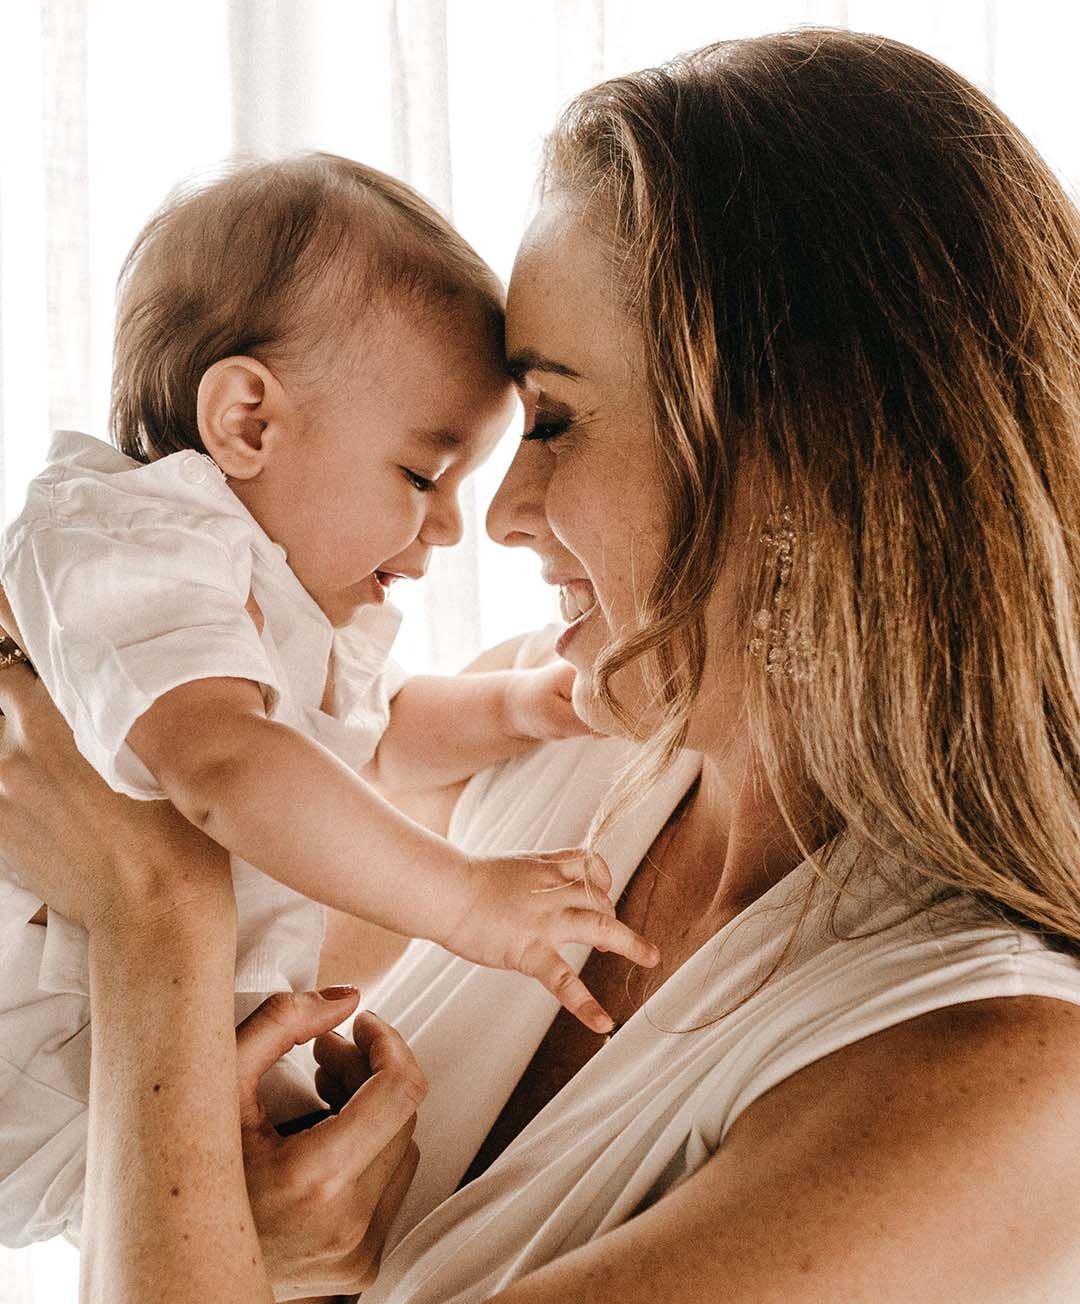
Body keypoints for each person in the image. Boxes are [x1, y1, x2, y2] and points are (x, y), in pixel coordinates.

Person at [4, 24, 1080, 1302]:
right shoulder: (549, 745)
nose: (499, 512)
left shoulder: (1001, 1087)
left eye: (555, 418)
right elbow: (199, 1158)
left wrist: (154, 903)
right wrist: (267, 1243)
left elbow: (172, 968)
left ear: (805, 452)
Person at [0, 152, 656, 1250]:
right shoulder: (130, 539)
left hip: (146, 1049)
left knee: (356, 1205)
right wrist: (465, 900)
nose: (457, 526)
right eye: (422, 474)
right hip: (46, 1056)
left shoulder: (264, 590)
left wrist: (516, 707)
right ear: (248, 420)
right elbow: (223, 766)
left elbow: (368, 743)